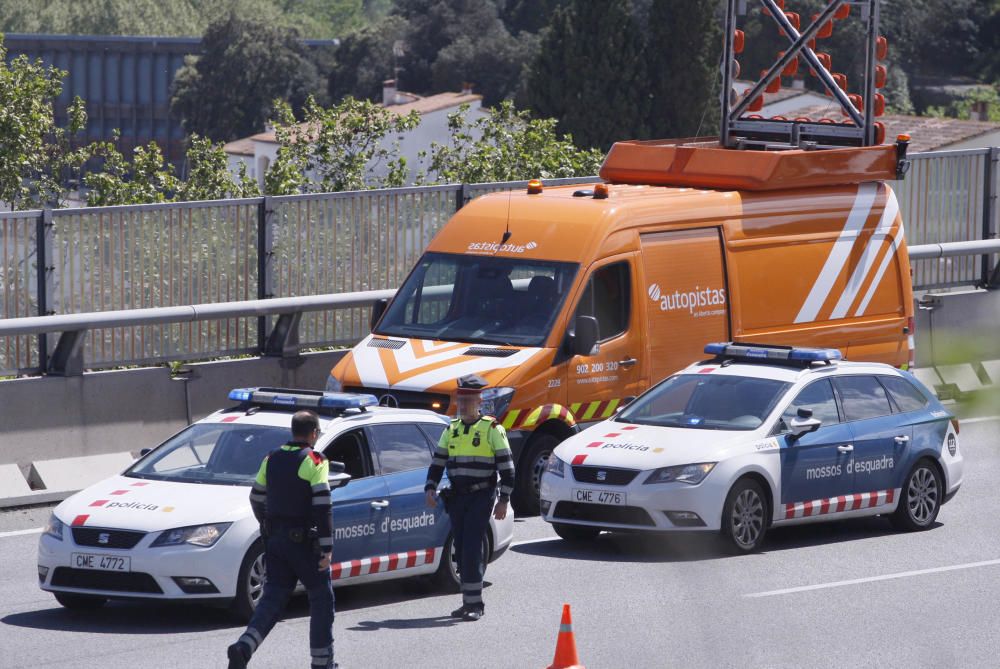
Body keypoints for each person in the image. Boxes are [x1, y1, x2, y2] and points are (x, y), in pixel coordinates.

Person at [227, 410, 337, 669]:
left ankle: (243, 647)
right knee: (321, 599)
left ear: (292, 432)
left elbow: (256, 497)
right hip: (304, 545)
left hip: (275, 541)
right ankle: (323, 663)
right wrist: (327, 547)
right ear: (313, 433)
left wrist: (266, 525)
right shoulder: (315, 460)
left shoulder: (271, 458)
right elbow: (323, 505)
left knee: (272, 599)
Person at [424, 374, 514, 621]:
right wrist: (430, 487)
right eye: (460, 401)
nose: (463, 406)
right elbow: (438, 462)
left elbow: (507, 468)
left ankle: (475, 604)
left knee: (472, 549)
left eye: (468, 401)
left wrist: (503, 499)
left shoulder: (491, 429)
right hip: (457, 498)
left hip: (481, 496)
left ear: (479, 401)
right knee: (461, 549)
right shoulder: (451, 430)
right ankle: (468, 601)